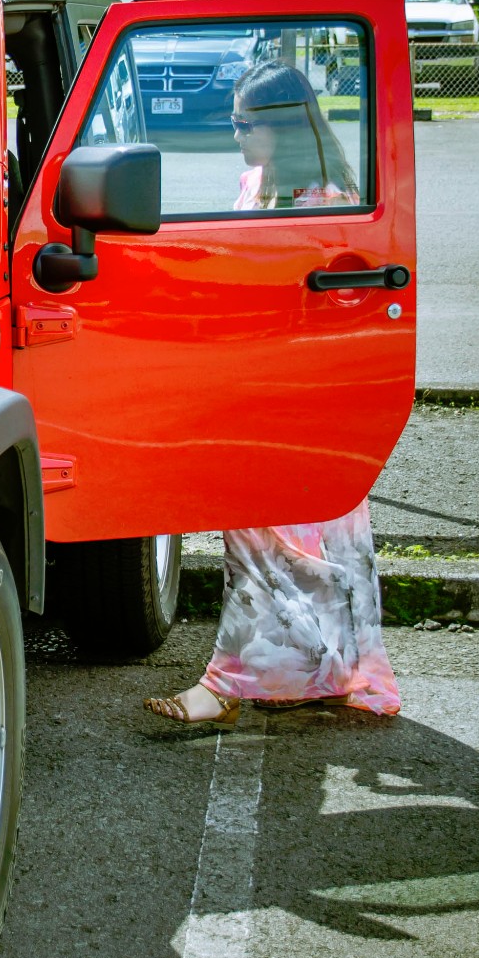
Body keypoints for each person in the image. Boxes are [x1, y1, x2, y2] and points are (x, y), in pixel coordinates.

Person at [144, 62, 400, 722]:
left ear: (281, 126)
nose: (235, 135)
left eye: (244, 124)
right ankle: (289, 672)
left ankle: (242, 681)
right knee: (263, 533)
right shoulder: (258, 185)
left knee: (293, 531)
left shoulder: (324, 198)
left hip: (298, 389)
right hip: (259, 380)